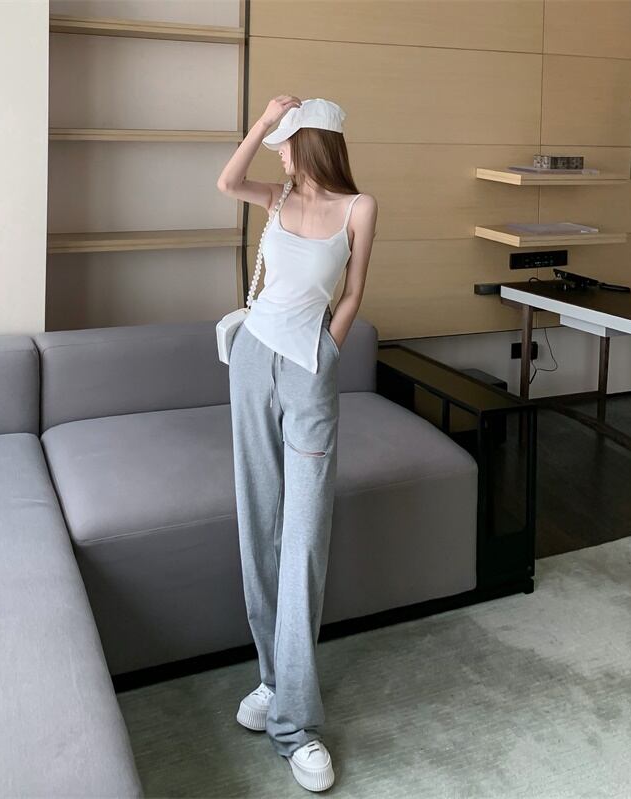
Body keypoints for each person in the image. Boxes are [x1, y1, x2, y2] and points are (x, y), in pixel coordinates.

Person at [216, 96, 378, 792]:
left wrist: (326, 354)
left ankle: (295, 726)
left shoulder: (359, 207)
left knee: (304, 541)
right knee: (260, 524)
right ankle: (272, 679)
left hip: (310, 368)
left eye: (285, 141)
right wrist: (261, 120)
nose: (279, 152)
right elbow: (227, 181)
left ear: (313, 143)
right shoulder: (276, 196)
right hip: (253, 358)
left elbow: (354, 291)